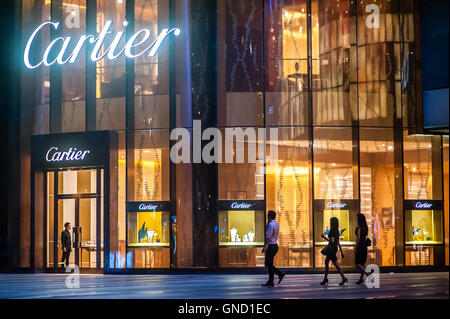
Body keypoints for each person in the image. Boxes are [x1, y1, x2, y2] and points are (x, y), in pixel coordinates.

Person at [320, 217, 348, 286]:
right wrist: (341, 252)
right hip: (334, 248)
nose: (329, 223)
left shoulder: (332, 230)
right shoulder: (337, 231)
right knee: (333, 263)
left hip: (331, 249)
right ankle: (342, 277)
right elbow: (338, 242)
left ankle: (326, 279)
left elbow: (332, 241)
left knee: (329, 262)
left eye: (330, 222)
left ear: (332, 223)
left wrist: (324, 237)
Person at [261, 210, 285, 287]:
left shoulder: (271, 225)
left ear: (270, 216)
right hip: (274, 245)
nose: (267, 216)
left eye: (268, 215)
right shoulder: (276, 224)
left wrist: (264, 247)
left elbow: (268, 237)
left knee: (268, 264)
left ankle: (279, 274)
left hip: (271, 246)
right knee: (269, 264)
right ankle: (271, 281)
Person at [355, 213, 373, 284]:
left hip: (360, 245)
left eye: (357, 218)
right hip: (364, 245)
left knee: (357, 263)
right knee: (362, 263)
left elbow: (358, 238)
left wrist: (356, 247)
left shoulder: (359, 227)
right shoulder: (366, 226)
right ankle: (361, 279)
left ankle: (367, 274)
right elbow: (365, 236)